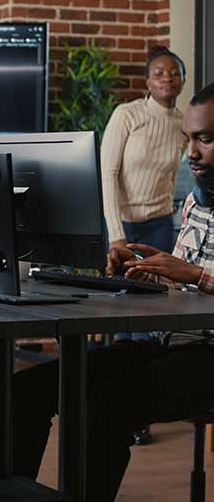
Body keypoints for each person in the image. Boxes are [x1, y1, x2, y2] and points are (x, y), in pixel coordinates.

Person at [11, 82, 214, 502]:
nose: (190, 153)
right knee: (23, 391)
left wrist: (194, 273)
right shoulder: (195, 201)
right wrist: (144, 274)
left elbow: (194, 278)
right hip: (171, 344)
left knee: (106, 406)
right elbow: (180, 287)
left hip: (208, 355)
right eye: (188, 140)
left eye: (205, 140)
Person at [100, 47, 187, 364]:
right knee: (124, 305)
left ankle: (147, 376)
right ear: (147, 82)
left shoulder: (183, 123)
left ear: (183, 80)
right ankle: (122, 371)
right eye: (159, 73)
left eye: (175, 73)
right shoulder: (128, 114)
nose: (168, 78)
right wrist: (116, 236)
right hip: (121, 225)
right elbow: (107, 174)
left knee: (152, 306)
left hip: (159, 224)